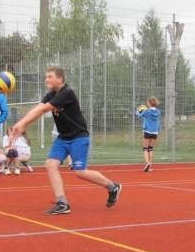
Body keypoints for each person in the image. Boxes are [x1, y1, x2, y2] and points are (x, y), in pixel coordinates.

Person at [13, 67, 121, 214]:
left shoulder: (67, 93)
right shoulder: (51, 94)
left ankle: (112, 186)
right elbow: (37, 108)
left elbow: (43, 110)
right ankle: (62, 203)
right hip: (63, 137)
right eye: (46, 77)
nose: (46, 79)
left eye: (49, 76)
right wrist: (22, 122)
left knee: (80, 172)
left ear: (60, 78)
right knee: (50, 165)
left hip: (78, 136)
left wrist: (23, 123)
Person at [136, 97, 161, 172]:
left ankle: (147, 163)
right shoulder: (158, 112)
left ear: (149, 103)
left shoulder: (146, 111)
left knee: (145, 148)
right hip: (155, 132)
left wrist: (137, 110)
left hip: (147, 131)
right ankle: (150, 166)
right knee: (151, 148)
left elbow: (139, 115)